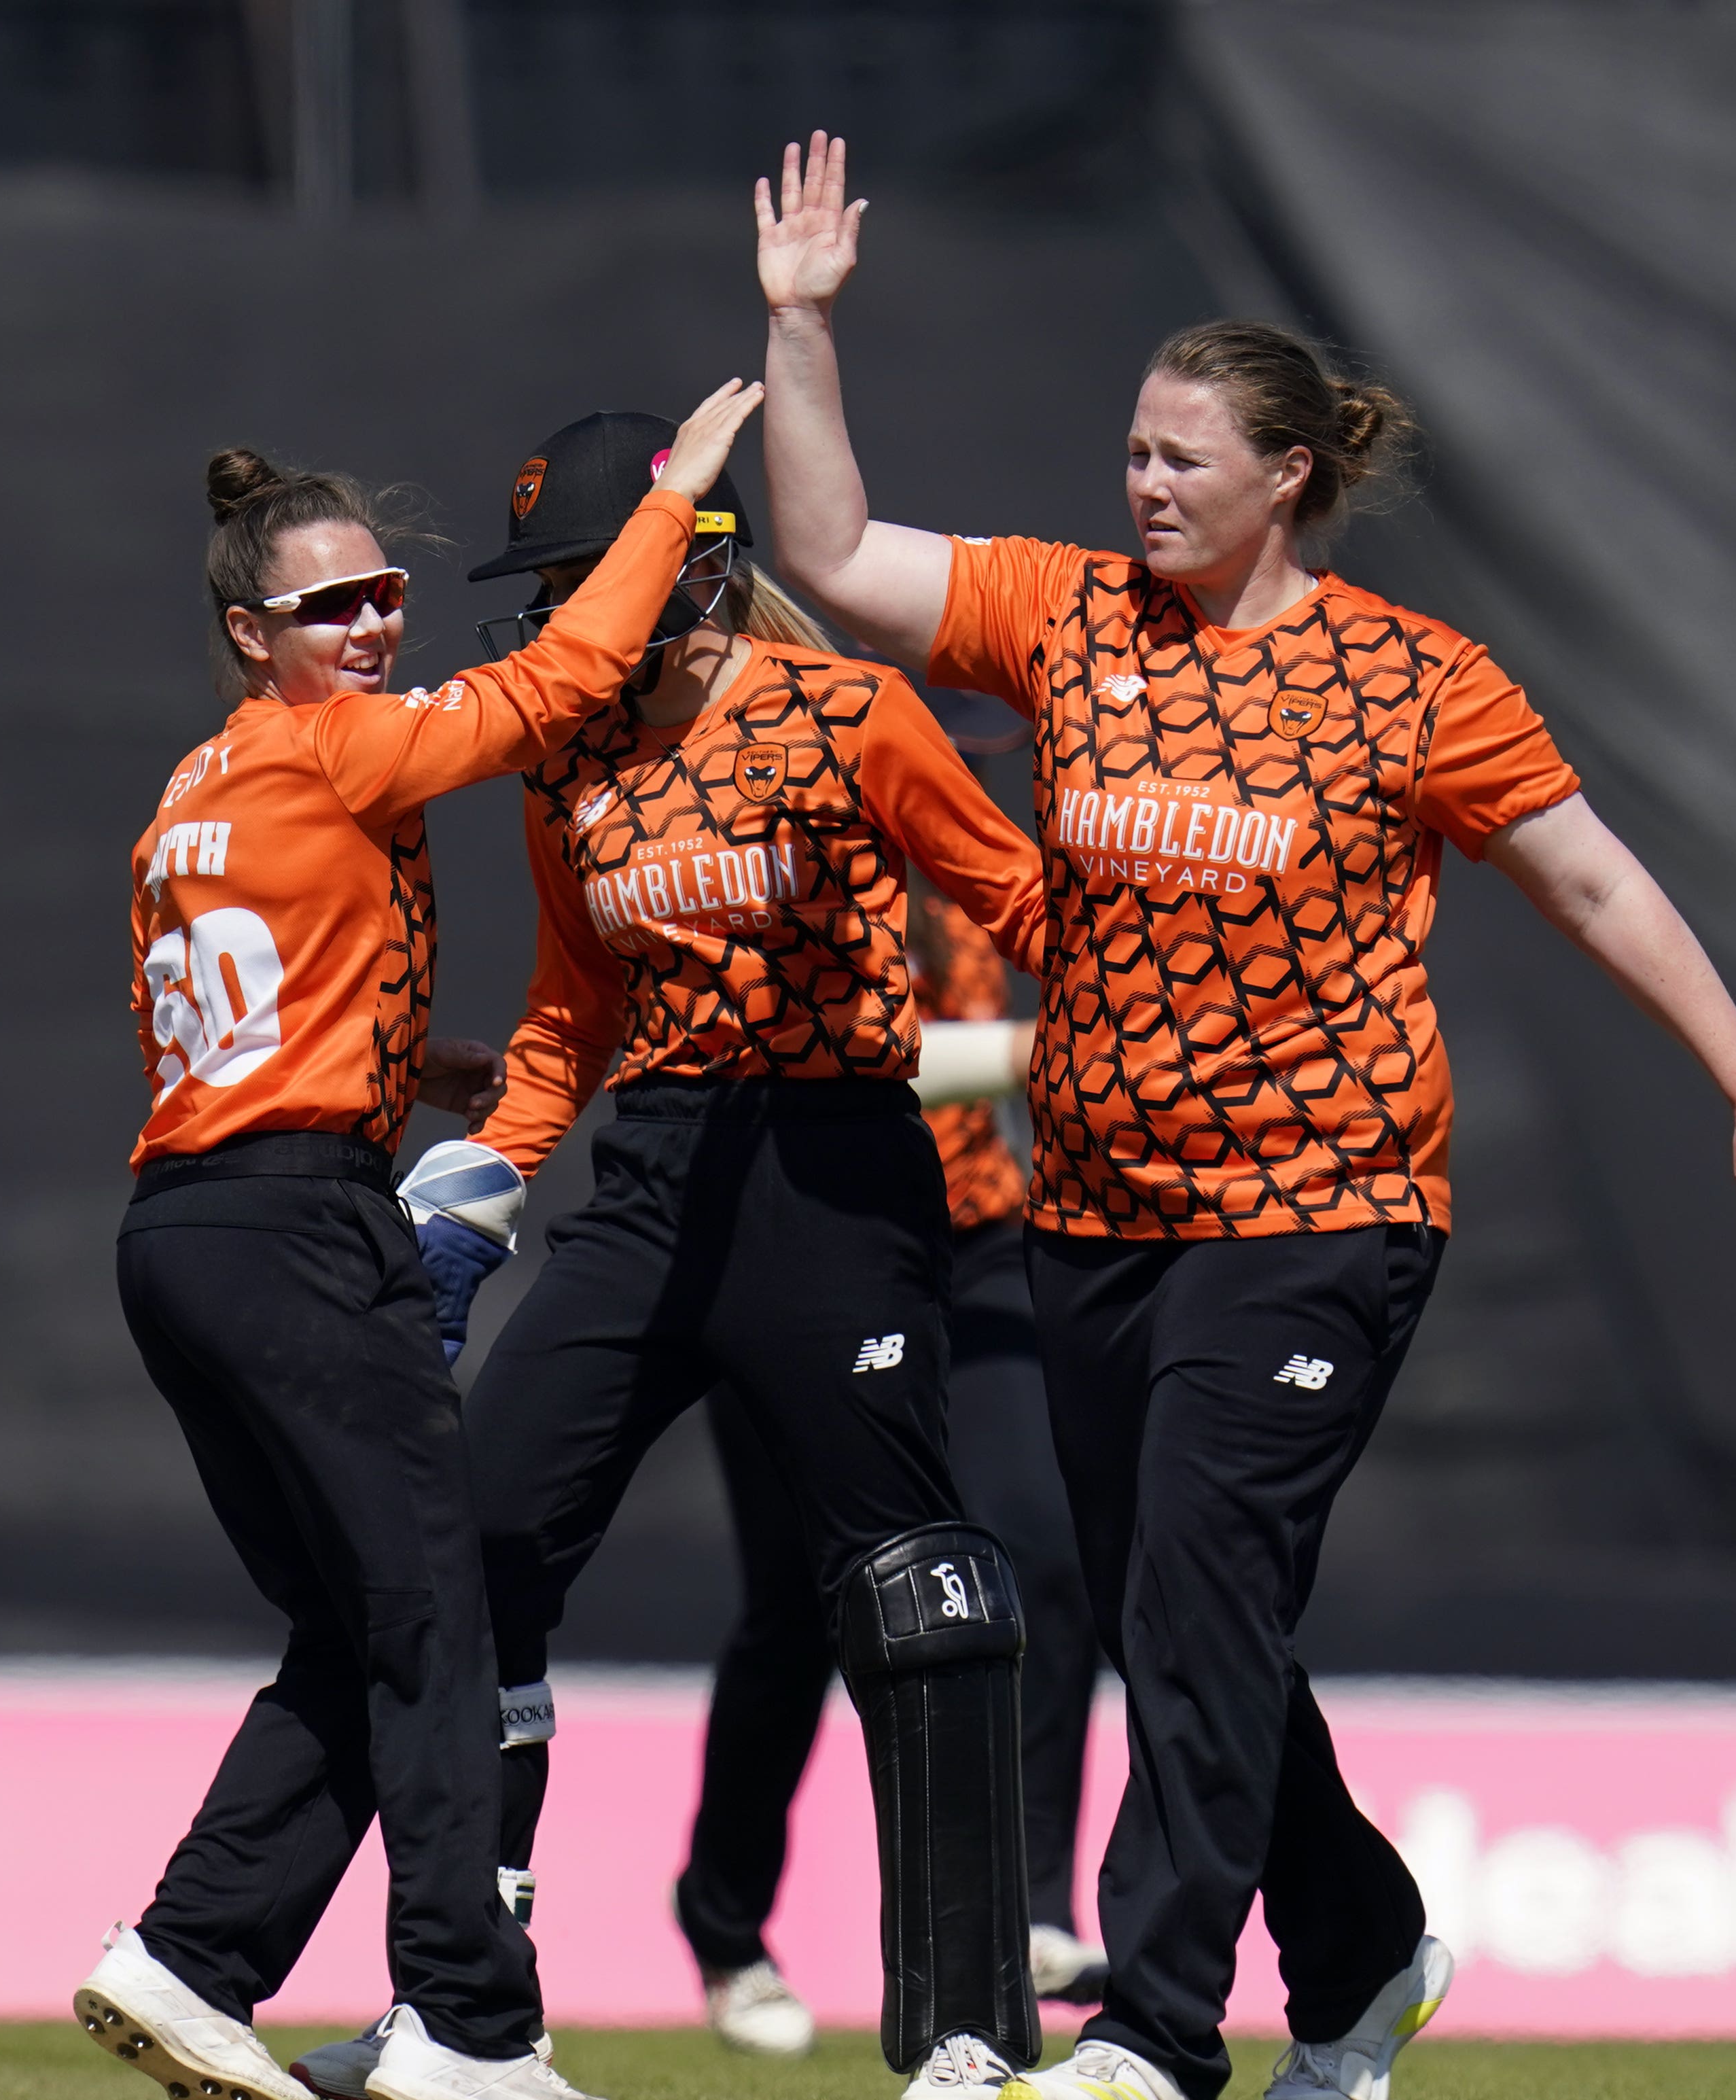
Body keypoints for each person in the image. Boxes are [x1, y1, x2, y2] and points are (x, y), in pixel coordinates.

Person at [751, 133, 1736, 2100]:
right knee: (1207, 1611)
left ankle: (1157, 2035)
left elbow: (1595, 882)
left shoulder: (1413, 683)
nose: (1141, 483)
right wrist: (800, 327)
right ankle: (1359, 1946)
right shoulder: (1068, 620)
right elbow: (830, 558)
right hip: (1093, 1215)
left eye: (1181, 457)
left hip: (1320, 1207)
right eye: (1132, 452)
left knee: (1189, 1591)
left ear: (1287, 478)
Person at [78, 381, 763, 2100]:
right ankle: (466, 2027)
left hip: (188, 1228)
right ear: (252, 633)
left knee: (359, 1623)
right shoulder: (331, 745)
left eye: (386, 593)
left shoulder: (196, 783)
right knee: (440, 1615)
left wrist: (405, 1065)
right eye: (332, 606)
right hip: (300, 1234)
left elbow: (238, 1008)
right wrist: (674, 503)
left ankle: (188, 1958)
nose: (375, 623)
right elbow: (551, 687)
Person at [460, 404, 1054, 2100]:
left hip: (831, 1165)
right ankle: (470, 2018)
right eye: (552, 586)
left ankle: (961, 2030)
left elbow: (1015, 897)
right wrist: (484, 1184)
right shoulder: (565, 757)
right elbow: (572, 1007)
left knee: (904, 1587)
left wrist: (1150, 1025)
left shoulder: (844, 713)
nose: (560, 617)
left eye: (588, 577)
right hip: (653, 1174)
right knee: (483, 1531)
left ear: (691, 576)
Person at [667, 879, 1108, 2062]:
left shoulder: (966, 887)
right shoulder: (760, 887)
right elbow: (834, 1067)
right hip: (797, 1241)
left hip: (975, 1241)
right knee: (805, 1611)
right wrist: (1032, 1047)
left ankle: (1031, 1906)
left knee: (1046, 1557)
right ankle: (726, 1923)